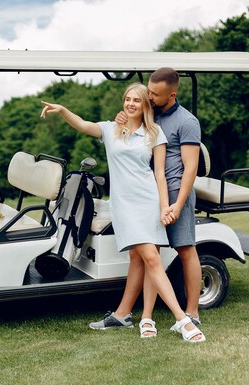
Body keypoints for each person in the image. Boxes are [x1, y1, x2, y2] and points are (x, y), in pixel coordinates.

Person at [40, 83, 205, 343]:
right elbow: (83, 124)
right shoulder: (110, 128)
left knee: (145, 259)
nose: (131, 104)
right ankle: (182, 321)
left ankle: (140, 317)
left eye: (137, 101)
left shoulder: (155, 133)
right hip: (124, 205)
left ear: (144, 105)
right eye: (127, 99)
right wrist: (62, 110)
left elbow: (160, 175)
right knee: (150, 258)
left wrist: (164, 207)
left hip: (149, 202)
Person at [89, 68, 203, 339]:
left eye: (155, 94)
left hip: (176, 193)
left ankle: (192, 313)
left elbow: (190, 168)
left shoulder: (187, 122)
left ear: (171, 95)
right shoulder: (152, 114)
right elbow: (134, 122)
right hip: (148, 194)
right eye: (148, 92)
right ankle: (129, 313)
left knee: (185, 250)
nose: (149, 97)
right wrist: (125, 116)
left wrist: (176, 204)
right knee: (141, 254)